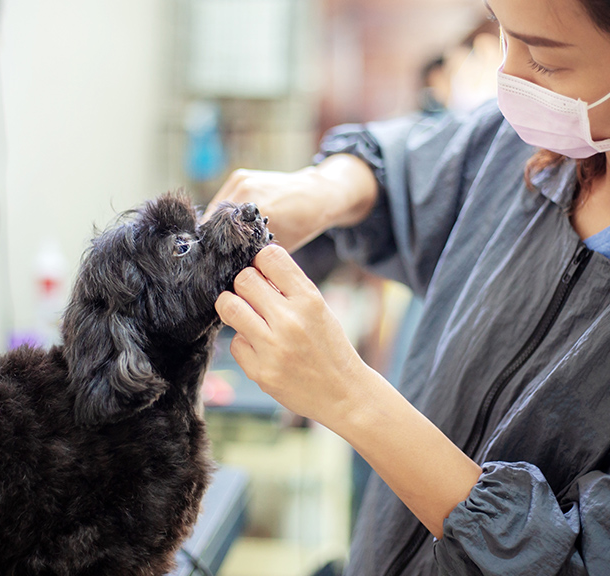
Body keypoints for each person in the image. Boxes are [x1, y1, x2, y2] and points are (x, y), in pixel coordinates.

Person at [206, 0, 610, 573]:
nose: (507, 79)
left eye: (545, 59)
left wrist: (350, 395)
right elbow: (410, 164)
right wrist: (326, 190)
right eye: (502, 33)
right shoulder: (526, 148)